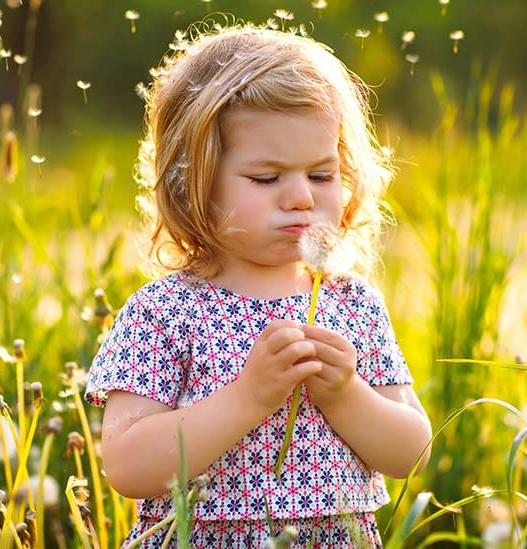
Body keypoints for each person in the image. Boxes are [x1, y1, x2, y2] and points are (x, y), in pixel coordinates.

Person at [85, 21, 432, 548]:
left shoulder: (351, 303)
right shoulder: (166, 311)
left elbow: (411, 452)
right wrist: (249, 396)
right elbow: (128, 466)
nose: (300, 197)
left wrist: (344, 395)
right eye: (267, 178)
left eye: (321, 175)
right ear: (194, 181)